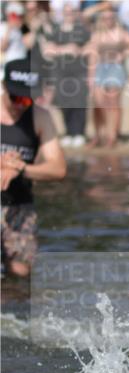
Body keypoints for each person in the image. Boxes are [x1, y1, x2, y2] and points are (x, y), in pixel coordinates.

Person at [1, 58, 66, 278]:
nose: (21, 105)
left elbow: (58, 168)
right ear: (3, 87)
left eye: (27, 99)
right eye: (16, 98)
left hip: (20, 205)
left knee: (20, 273)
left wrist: (22, 168)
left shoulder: (40, 116)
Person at [41, 2, 90, 147]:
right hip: (60, 73)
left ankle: (79, 133)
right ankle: (68, 132)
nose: (69, 15)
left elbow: (90, 47)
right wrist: (66, 48)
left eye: (71, 12)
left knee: (79, 102)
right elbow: (48, 50)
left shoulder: (81, 30)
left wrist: (78, 50)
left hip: (79, 72)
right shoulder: (56, 30)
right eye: (66, 12)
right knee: (64, 102)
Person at [87, 9, 129, 148]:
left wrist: (122, 55)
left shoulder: (120, 32)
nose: (108, 20)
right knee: (98, 103)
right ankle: (98, 134)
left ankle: (112, 135)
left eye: (110, 17)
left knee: (113, 103)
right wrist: (90, 76)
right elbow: (92, 55)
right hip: (100, 68)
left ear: (115, 18)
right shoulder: (97, 34)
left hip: (116, 68)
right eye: (105, 18)